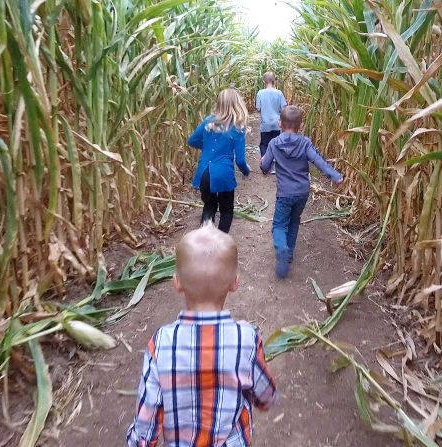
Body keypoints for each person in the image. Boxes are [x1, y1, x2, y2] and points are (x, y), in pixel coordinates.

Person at [126, 223, 278, 447]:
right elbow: (265, 395)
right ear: (235, 283)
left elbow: (148, 411)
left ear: (176, 282)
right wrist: (265, 402)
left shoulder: (161, 343)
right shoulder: (246, 339)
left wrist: (140, 442)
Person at [259, 105, 343, 279]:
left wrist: (262, 163)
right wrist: (334, 176)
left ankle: (282, 248)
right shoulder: (305, 142)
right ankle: (288, 254)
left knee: (278, 225)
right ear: (301, 125)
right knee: (294, 222)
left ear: (279, 124)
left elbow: (265, 166)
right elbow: (318, 161)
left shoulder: (274, 143)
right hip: (302, 193)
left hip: (284, 193)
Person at [188, 88, 250, 233]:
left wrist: (206, 147)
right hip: (224, 175)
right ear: (237, 104)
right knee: (226, 210)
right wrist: (246, 171)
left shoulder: (208, 122)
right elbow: (240, 160)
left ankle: (205, 238)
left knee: (209, 207)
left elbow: (191, 141)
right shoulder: (238, 128)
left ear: (219, 103)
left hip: (204, 173)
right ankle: (221, 242)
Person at [255, 72, 287, 172]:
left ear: (264, 81)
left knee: (264, 144)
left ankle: (265, 166)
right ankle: (274, 167)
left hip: (265, 124)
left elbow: (258, 108)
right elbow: (284, 108)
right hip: (277, 124)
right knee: (275, 144)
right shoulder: (279, 93)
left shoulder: (260, 93)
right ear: (274, 81)